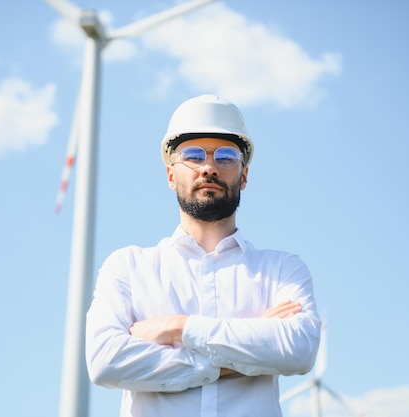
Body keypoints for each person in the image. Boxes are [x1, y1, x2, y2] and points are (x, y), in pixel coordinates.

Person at [85, 94, 321, 417]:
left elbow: (299, 349)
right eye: (193, 155)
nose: (209, 167)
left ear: (245, 175)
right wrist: (245, 354)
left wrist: (179, 328)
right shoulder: (127, 268)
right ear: (171, 175)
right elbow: (104, 361)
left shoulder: (282, 270)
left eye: (226, 156)